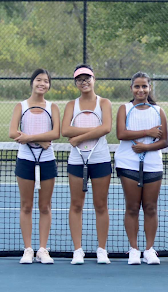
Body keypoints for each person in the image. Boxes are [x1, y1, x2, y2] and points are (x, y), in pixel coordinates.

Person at [115, 72, 168, 265]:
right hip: (127, 164)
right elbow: (121, 133)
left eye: (144, 86)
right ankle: (134, 249)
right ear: (131, 88)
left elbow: (164, 141)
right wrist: (147, 133)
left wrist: (146, 147)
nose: (140, 90)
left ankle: (149, 249)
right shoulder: (124, 109)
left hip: (153, 165)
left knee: (151, 208)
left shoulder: (158, 111)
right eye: (137, 86)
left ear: (149, 88)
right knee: (132, 207)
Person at [61, 64, 113, 265]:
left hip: (100, 159)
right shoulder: (71, 105)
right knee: (76, 205)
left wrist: (78, 138)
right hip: (76, 160)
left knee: (101, 205)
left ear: (94, 79)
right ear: (76, 83)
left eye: (87, 78)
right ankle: (78, 250)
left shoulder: (104, 103)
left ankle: (102, 250)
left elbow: (106, 127)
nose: (84, 82)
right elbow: (65, 130)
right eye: (80, 79)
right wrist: (86, 134)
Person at [9, 69, 60, 264]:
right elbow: (13, 132)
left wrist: (31, 138)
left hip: (47, 161)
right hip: (25, 160)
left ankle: (42, 250)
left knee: (45, 206)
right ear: (32, 82)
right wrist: (41, 140)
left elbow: (56, 133)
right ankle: (28, 249)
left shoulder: (52, 107)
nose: (42, 84)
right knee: (26, 205)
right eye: (38, 80)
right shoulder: (20, 106)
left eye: (46, 81)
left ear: (49, 85)